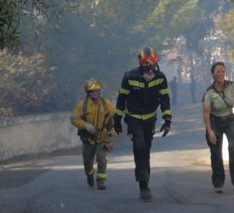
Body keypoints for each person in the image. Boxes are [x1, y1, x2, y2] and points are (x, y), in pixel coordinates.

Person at [113, 47, 172, 201]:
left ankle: (146, 180)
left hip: (150, 119)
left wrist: (167, 120)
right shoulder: (129, 77)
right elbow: (121, 100)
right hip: (133, 118)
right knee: (139, 146)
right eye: (148, 68)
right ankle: (143, 185)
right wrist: (117, 120)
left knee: (146, 150)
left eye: (153, 67)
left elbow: (165, 100)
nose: (151, 72)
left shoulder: (160, 78)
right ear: (141, 65)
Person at [202, 62, 234, 193]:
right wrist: (210, 131)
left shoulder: (232, 86)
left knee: (233, 149)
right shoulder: (209, 92)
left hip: (230, 121)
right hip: (215, 122)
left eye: (222, 71)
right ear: (213, 74)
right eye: (217, 71)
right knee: (216, 153)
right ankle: (218, 183)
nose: (220, 74)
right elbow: (206, 113)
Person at [70, 79, 115, 190]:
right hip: (88, 136)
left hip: (102, 135)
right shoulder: (82, 105)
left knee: (101, 158)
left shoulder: (107, 104)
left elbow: (115, 117)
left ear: (100, 91)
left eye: (97, 90)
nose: (95, 93)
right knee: (87, 160)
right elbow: (73, 119)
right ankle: (89, 174)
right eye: (92, 91)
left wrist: (112, 130)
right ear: (87, 93)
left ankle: (101, 181)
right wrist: (85, 125)